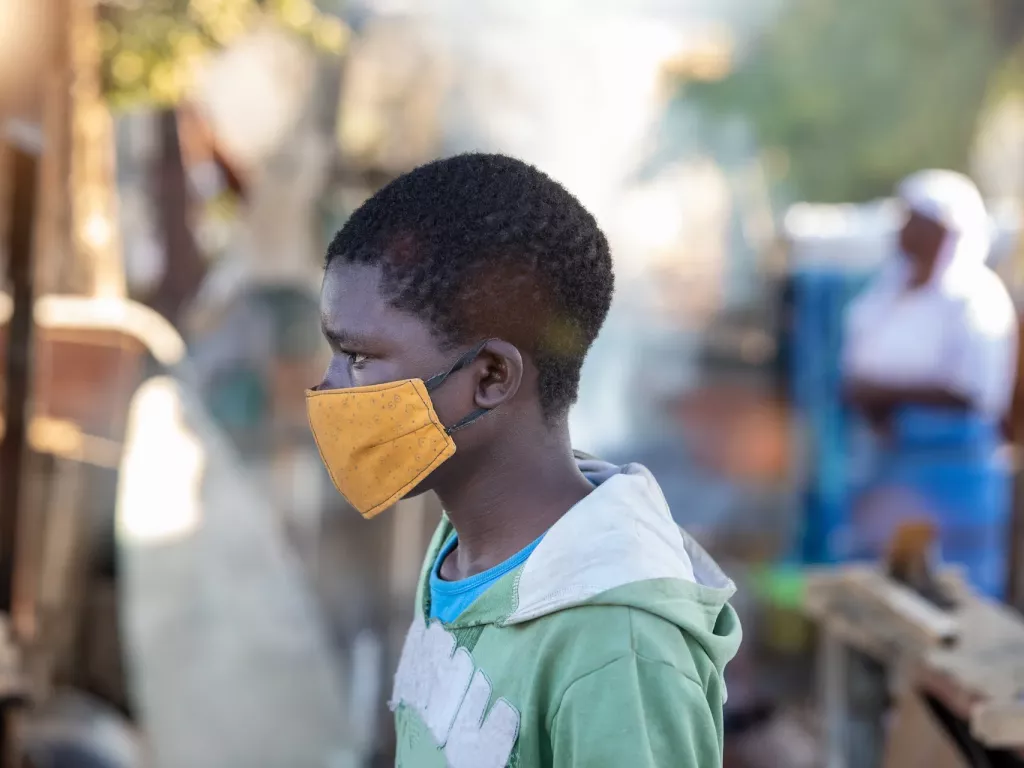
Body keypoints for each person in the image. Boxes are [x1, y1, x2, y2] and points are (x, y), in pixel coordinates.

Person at [307, 153, 740, 767]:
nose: (327, 389)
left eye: (357, 357)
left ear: (490, 377)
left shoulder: (617, 646)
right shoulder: (463, 553)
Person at [842, 170, 1018, 594]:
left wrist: (888, 394)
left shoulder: (975, 299)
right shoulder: (887, 292)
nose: (902, 231)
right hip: (891, 462)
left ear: (943, 229)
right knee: (888, 594)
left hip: (953, 471)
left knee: (955, 595)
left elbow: (973, 390)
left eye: (913, 220)